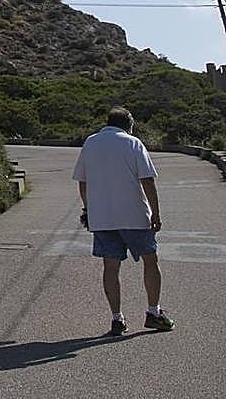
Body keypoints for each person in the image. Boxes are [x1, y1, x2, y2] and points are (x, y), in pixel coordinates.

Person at [72, 106, 174, 335]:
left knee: (110, 267)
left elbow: (82, 182)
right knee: (150, 260)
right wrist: (155, 214)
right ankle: (153, 312)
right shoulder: (133, 143)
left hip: (102, 217)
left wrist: (89, 210)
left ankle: (117, 318)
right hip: (134, 215)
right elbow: (147, 181)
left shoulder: (90, 142)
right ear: (129, 124)